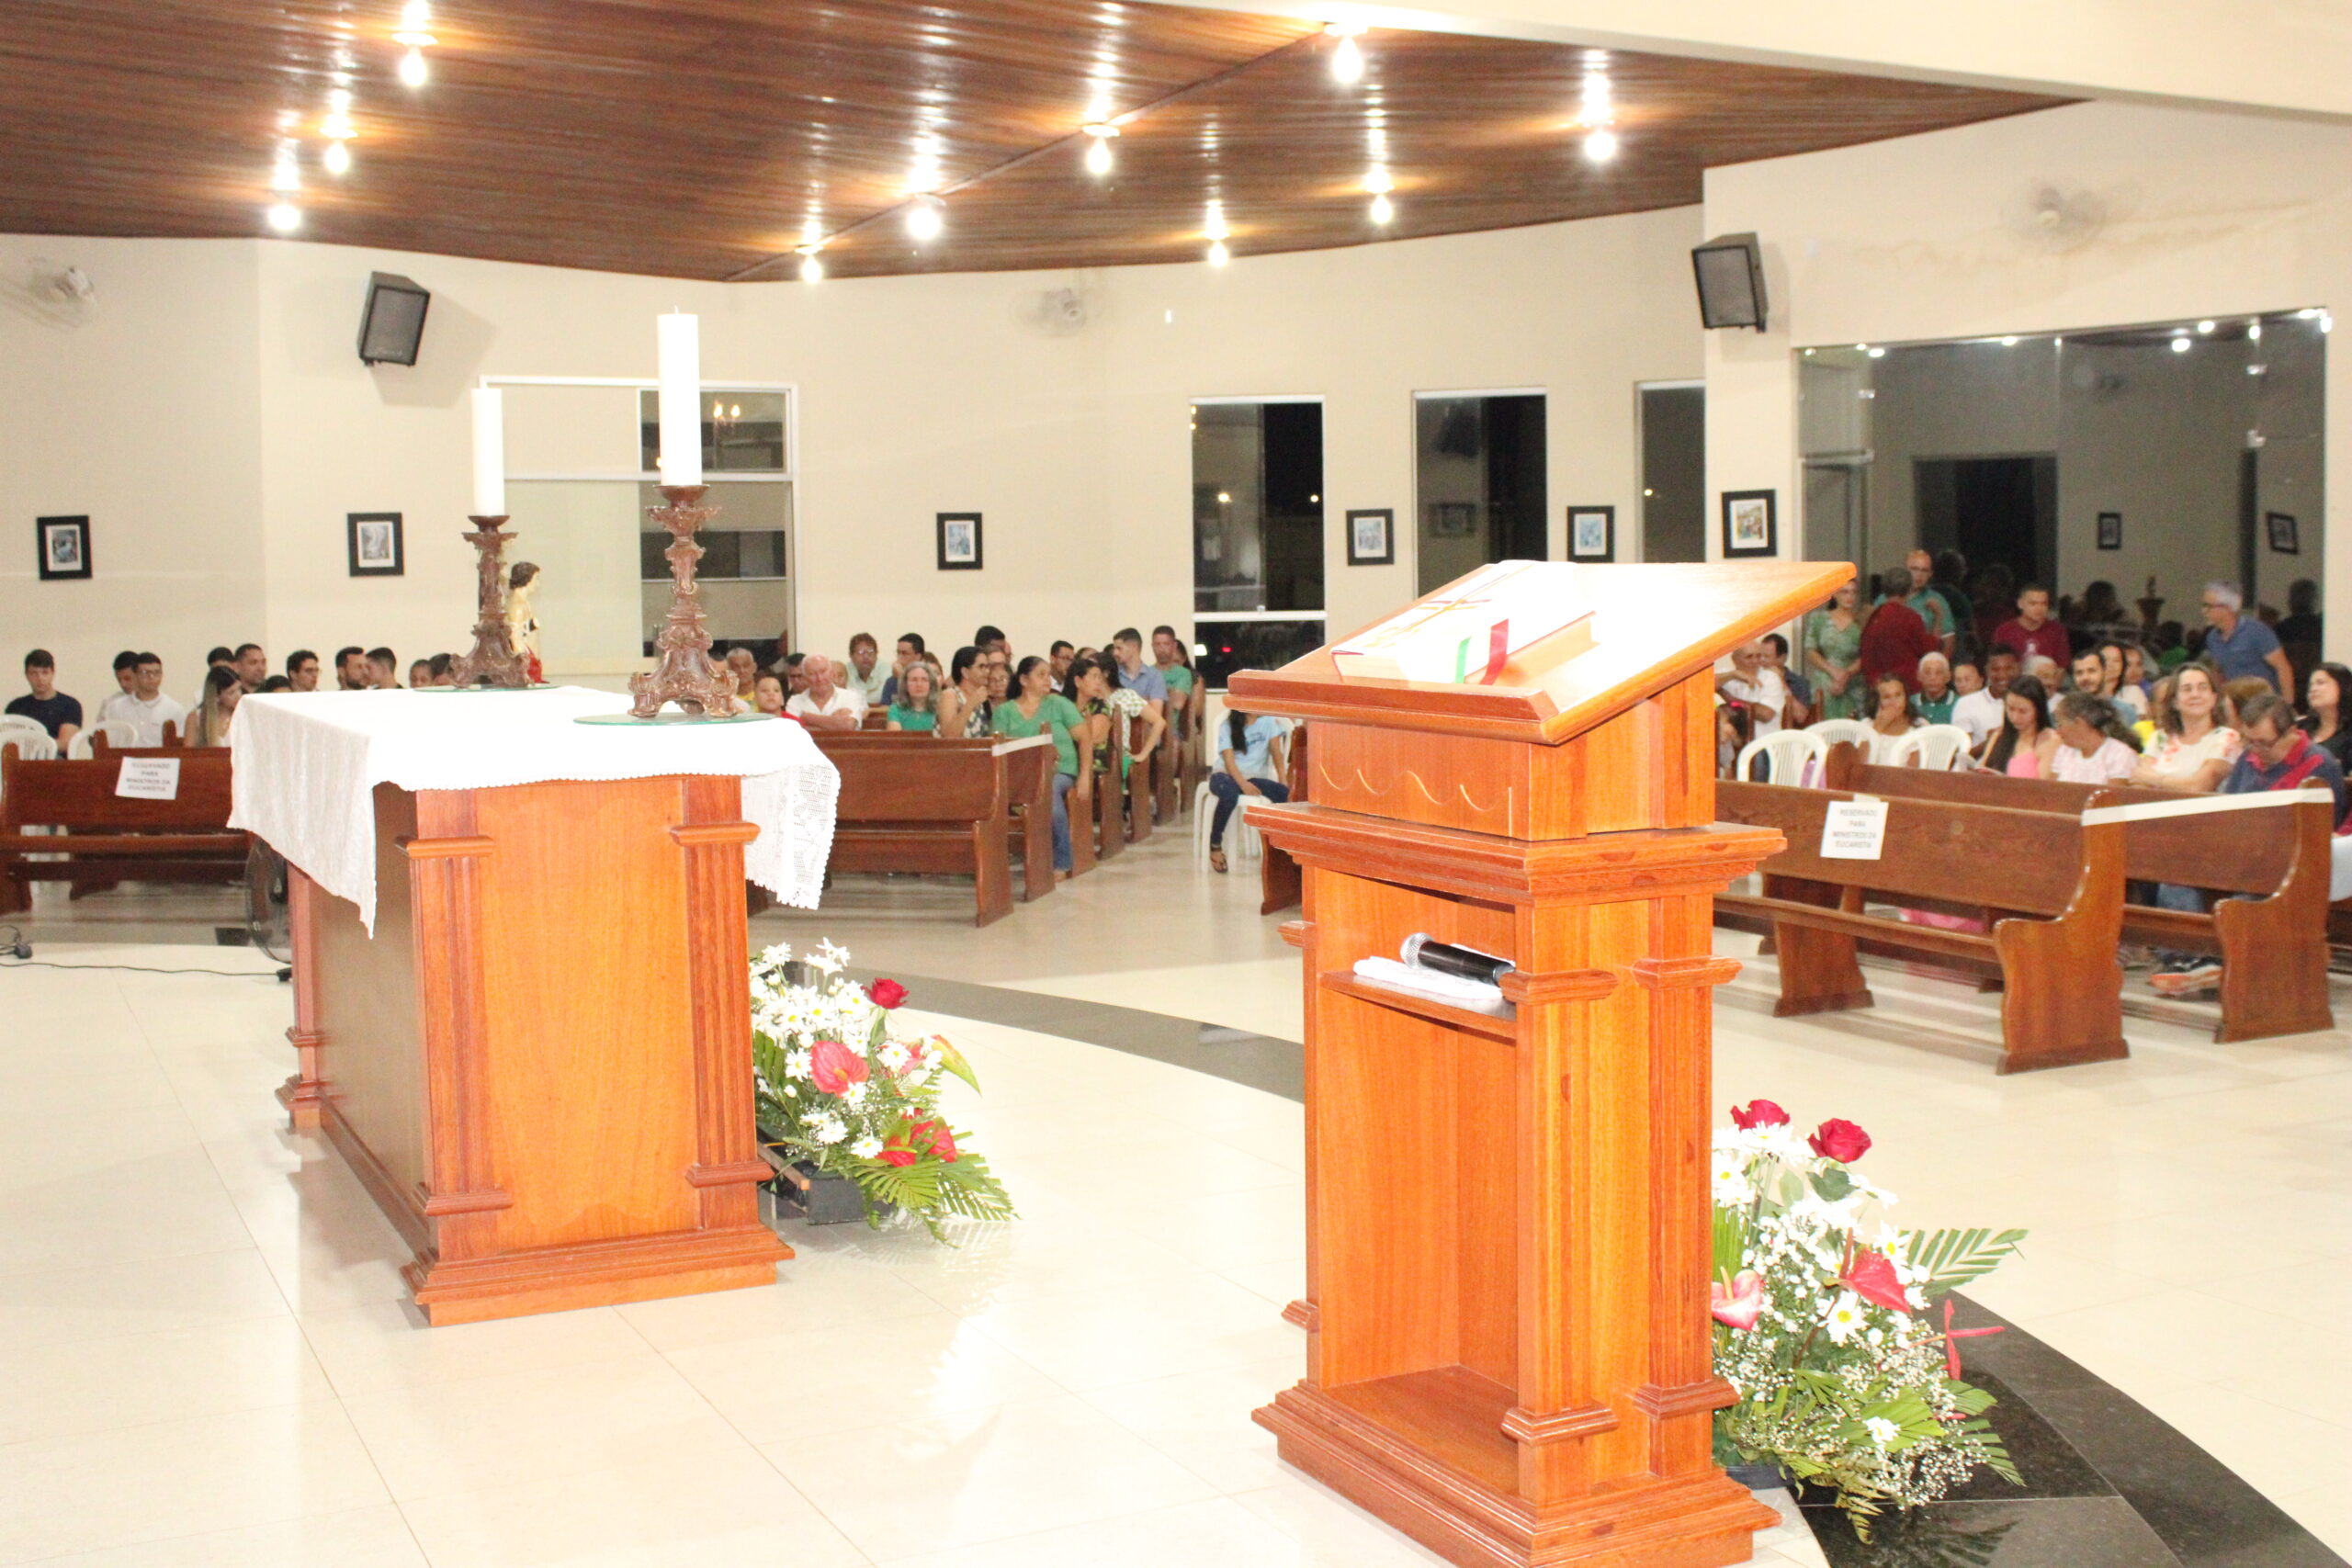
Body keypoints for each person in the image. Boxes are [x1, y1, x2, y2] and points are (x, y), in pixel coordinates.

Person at [2152, 692, 2345, 998]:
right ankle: (2188, 958)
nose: (2257, 751)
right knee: (2177, 874)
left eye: (2264, 743)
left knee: (2247, 897)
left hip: (2286, 860)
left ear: (2290, 732)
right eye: (2250, 741)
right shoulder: (2248, 759)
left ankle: (2214, 962)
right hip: (2241, 851)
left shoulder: (2319, 765)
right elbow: (2230, 809)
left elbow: (2321, 828)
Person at [992, 656, 1088, 877]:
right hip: (1019, 775)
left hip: (1060, 771)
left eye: (1048, 675)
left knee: (1048, 791)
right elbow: (998, 749)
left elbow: (1085, 738)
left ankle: (1061, 862)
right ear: (1024, 680)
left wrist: (1084, 776)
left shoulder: (1059, 704)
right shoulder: (1004, 711)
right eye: (1041, 675)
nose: (1047, 679)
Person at [1206, 696, 1291, 874]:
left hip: (1253, 777)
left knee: (1286, 795)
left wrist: (1283, 779)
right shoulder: (1228, 726)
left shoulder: (1269, 723)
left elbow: (1277, 754)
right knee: (1229, 795)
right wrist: (1242, 784)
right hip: (1225, 775)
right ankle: (1215, 845)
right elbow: (1229, 762)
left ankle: (1285, 849)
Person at [2132, 662, 2240, 792]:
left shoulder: (2227, 738)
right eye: (2187, 689)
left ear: (2214, 697)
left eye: (2203, 688)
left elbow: (2198, 786)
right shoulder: (2160, 737)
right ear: (2174, 701)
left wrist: (2156, 780)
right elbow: (2138, 781)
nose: (2195, 695)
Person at [2199, 581, 2292, 693]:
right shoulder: (2212, 638)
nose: (2204, 611)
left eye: (2209, 606)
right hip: (2234, 698)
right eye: (2204, 606)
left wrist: (2287, 702)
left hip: (2262, 699)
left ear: (2228, 608)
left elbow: (2283, 668)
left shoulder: (2257, 631)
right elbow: (2219, 672)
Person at [1860, 565, 1938, 693]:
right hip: (1908, 686)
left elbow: (1866, 656)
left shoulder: (1873, 618)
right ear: (1909, 590)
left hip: (1880, 687)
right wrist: (1938, 617)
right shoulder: (1911, 618)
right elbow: (1930, 651)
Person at [1802, 580, 1864, 719]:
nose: (1850, 597)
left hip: (1853, 683)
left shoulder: (1862, 620)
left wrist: (1846, 674)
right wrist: (1833, 671)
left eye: (1854, 592)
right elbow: (1810, 650)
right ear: (1835, 594)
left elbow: (1867, 654)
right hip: (1825, 681)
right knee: (1824, 725)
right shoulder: (1819, 619)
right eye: (1845, 592)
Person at [2048, 693, 2139, 784]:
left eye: (2060, 724)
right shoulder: (2064, 751)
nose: (2057, 731)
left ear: (2079, 723)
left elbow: (2114, 792)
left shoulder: (2120, 754)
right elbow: (2052, 788)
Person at [1976, 672, 2055, 777]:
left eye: (2023, 711)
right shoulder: (1999, 735)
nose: (2015, 717)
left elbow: (2044, 784)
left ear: (2038, 710)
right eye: (2010, 709)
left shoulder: (2049, 740)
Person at [100, 653, 187, 746]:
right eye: (145, 673)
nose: (151, 677)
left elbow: (179, 745)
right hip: (125, 754)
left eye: (156, 672)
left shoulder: (174, 709)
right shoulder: (116, 707)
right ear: (135, 675)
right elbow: (110, 743)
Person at [7, 649, 81, 747]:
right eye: (34, 673)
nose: (40, 678)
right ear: (27, 675)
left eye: (45, 672)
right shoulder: (15, 707)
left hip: (55, 756)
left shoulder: (69, 705)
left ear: (52, 673)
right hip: (24, 755)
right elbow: (11, 742)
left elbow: (65, 743)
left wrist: (37, 746)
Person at [1715, 640, 1787, 740]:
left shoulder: (1770, 678)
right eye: (1749, 657)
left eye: (1758, 656)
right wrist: (1733, 675)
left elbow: (1766, 715)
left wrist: (1729, 698)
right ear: (1735, 659)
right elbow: (1702, 687)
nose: (1755, 661)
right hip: (1729, 743)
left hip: (1763, 743)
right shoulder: (1726, 674)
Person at [1989, 583, 2071, 671]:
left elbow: (2062, 666)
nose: (2039, 608)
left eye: (2044, 604)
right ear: (2020, 604)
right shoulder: (2004, 631)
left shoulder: (2057, 630)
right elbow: (1996, 666)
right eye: (2033, 604)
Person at [1889, 549, 1955, 653]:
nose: (1919, 575)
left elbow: (1948, 642)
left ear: (1930, 574)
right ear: (1904, 571)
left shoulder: (1938, 600)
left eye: (1924, 570)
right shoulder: (1887, 597)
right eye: (1914, 569)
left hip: (1926, 659)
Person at [1951, 650, 2017, 746]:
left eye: (2008, 669)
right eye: (1996, 669)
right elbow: (1961, 751)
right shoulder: (1966, 704)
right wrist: (1991, 741)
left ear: (2018, 669)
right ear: (1987, 671)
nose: (2002, 675)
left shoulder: (2028, 701)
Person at [2298, 661, 2352, 774]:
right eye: (2310, 685)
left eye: (2320, 683)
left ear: (2343, 686)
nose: (2313, 689)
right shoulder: (2299, 727)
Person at [786, 655, 863, 730]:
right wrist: (834, 722)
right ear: (805, 678)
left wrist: (807, 718)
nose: (819, 678)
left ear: (832, 674)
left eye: (823, 672)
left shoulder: (850, 696)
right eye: (812, 674)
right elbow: (793, 731)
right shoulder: (794, 702)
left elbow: (848, 725)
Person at [2277, 578, 2324, 700]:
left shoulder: (2281, 629)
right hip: (2311, 683)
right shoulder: (2323, 628)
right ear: (2314, 600)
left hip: (2293, 685)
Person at [935, 647, 991, 739]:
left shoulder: (983, 698)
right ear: (965, 672)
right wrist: (970, 704)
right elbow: (949, 736)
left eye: (987, 667)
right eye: (981, 667)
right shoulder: (950, 695)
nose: (987, 671)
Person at [1152, 626, 1197, 739]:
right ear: (1152, 646)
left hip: (1171, 731)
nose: (1161, 649)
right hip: (1147, 728)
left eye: (1166, 644)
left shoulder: (1183, 673)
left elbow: (1177, 703)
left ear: (1174, 646)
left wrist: (1151, 695)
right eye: (1157, 644)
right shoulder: (1146, 673)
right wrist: (1169, 692)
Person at [187, 666, 243, 748]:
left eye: (239, 689)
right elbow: (188, 752)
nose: (238, 696)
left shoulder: (243, 716)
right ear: (216, 696)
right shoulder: (196, 717)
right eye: (231, 693)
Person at [1761, 633, 1812, 724]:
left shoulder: (1798, 683)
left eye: (1766, 657)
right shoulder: (1755, 679)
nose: (1761, 660)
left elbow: (1801, 716)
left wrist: (1781, 682)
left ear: (1782, 658)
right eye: (1759, 656)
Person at [1866, 672, 1917, 746]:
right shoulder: (1866, 724)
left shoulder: (1920, 725)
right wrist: (1877, 728)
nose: (1893, 702)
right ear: (1877, 701)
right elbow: (1860, 754)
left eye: (1898, 695)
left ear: (1906, 697)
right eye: (1886, 697)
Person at [887, 660, 939, 731]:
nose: (919, 684)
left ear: (931, 684)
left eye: (924, 680)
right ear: (905, 685)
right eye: (914, 680)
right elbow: (896, 736)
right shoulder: (896, 710)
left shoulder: (939, 710)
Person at [844, 632, 889, 708]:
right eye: (861, 652)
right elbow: (845, 696)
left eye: (870, 652)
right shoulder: (846, 670)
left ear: (876, 654)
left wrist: (857, 696)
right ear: (851, 655)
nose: (866, 657)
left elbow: (883, 695)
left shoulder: (885, 669)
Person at [880, 632, 925, 704]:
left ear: (918, 657)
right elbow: (885, 707)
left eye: (904, 653)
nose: (899, 657)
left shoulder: (927, 681)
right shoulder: (892, 681)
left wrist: (902, 677)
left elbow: (917, 705)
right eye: (898, 653)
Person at [1913, 652, 1956, 726]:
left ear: (1948, 676)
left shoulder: (1959, 703)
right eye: (1927, 673)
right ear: (1919, 676)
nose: (1933, 678)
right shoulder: (1910, 704)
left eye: (1938, 673)